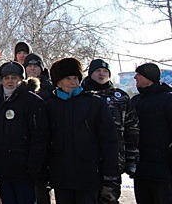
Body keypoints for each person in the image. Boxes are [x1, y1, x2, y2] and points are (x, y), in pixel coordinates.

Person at [46, 58, 118, 204]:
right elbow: (44, 140)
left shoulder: (94, 104)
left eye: (76, 78)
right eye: (68, 78)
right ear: (58, 82)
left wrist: (109, 173)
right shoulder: (50, 106)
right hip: (61, 175)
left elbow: (108, 140)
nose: (73, 82)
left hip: (88, 174)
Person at [0, 61, 48, 204]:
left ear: (21, 80)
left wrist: (34, 164)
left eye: (14, 78)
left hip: (23, 167)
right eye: (7, 78)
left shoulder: (32, 101)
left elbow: (39, 135)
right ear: (1, 80)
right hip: (4, 166)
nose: (10, 81)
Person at [81, 59, 139, 204]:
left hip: (113, 161)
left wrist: (131, 159)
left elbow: (132, 129)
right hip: (84, 162)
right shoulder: (80, 95)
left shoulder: (121, 97)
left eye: (105, 71)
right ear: (90, 73)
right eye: (98, 71)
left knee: (109, 200)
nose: (101, 74)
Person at [131, 63, 172, 203]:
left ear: (148, 77)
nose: (135, 77)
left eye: (139, 75)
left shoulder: (167, 99)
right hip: (141, 168)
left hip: (163, 169)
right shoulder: (135, 101)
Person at [22, 53, 54, 204]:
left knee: (41, 187)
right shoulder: (19, 87)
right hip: (24, 143)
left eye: (35, 66)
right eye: (29, 65)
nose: (32, 68)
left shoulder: (50, 88)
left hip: (45, 142)